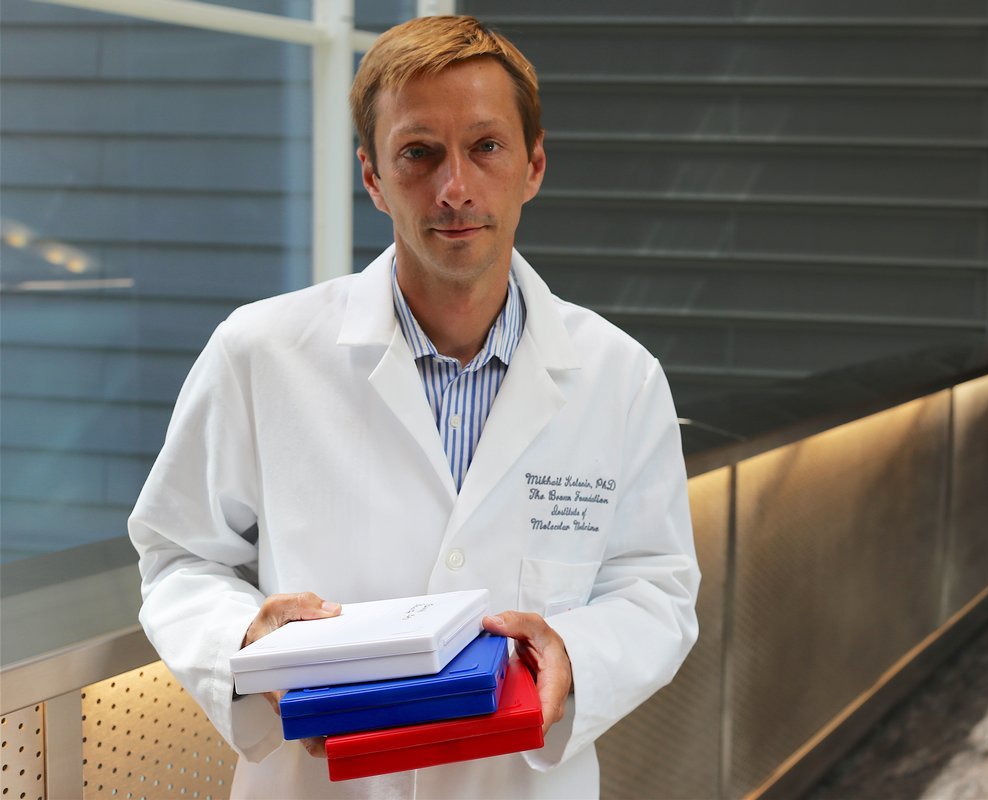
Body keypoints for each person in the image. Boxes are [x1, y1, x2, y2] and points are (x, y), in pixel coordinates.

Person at [128, 14, 700, 800]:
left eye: (486, 147)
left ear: (533, 165)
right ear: (373, 178)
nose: (454, 187)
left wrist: (577, 653)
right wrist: (243, 641)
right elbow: (178, 555)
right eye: (418, 153)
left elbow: (656, 585)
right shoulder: (258, 352)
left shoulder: (620, 378)